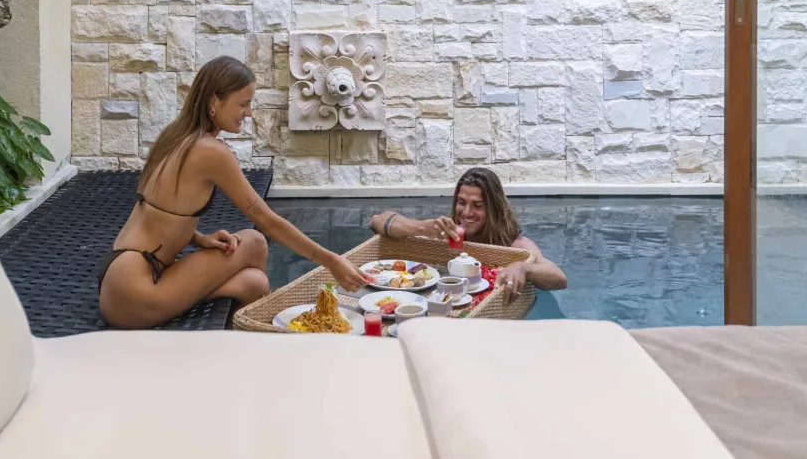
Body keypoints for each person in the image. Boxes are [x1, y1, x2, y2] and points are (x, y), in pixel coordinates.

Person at [98, 55, 371, 329]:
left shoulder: (174, 135)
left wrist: (198, 238)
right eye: (243, 103)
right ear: (214, 101)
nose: (249, 113)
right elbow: (268, 221)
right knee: (254, 242)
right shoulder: (211, 151)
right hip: (136, 290)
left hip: (120, 278)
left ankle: (237, 335)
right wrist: (331, 261)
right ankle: (248, 340)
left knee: (255, 284)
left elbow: (157, 209)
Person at [367, 167, 567, 303]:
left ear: (494, 209)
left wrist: (523, 268)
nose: (467, 212)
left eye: (478, 206)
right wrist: (421, 228)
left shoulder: (513, 245)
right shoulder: (443, 234)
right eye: (462, 202)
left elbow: (559, 279)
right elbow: (376, 221)